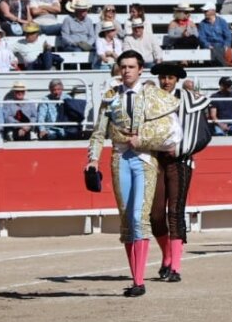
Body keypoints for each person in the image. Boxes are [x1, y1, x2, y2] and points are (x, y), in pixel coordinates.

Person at [86, 50, 182, 297]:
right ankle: (135, 278)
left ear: (141, 69)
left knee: (139, 217)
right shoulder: (110, 98)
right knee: (127, 220)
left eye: (131, 67)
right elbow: (98, 133)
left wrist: (144, 139)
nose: (127, 71)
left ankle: (139, 282)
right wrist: (93, 159)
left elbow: (171, 132)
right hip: (119, 160)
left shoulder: (153, 96)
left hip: (145, 160)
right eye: (123, 67)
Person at [149, 63, 210, 284]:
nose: (166, 81)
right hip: (155, 161)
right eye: (163, 77)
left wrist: (182, 148)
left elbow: (203, 136)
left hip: (180, 161)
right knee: (155, 214)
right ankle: (167, 255)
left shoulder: (191, 101)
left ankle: (175, 265)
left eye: (170, 78)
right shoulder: (150, 100)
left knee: (175, 211)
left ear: (177, 80)